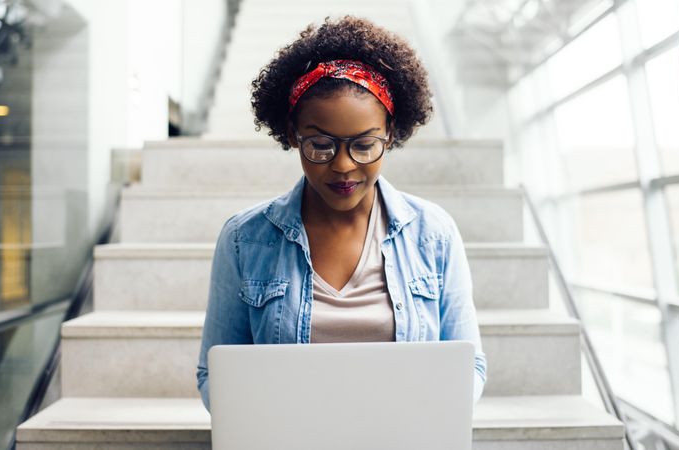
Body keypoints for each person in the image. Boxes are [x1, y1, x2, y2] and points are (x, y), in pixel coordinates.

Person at [196, 15, 486, 412]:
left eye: (365, 145)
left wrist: (425, 420)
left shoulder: (433, 233)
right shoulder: (245, 239)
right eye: (320, 144)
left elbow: (470, 366)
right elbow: (215, 374)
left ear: (390, 134)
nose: (344, 166)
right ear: (294, 134)